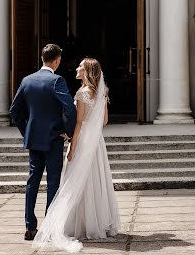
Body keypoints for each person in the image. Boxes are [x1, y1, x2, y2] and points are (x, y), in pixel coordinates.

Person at [33, 58, 120, 253]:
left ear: (87, 71)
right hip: (96, 141)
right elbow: (104, 121)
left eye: (80, 66)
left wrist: (72, 147)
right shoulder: (101, 93)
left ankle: (77, 224)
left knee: (74, 180)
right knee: (94, 179)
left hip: (83, 140)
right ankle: (95, 223)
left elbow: (79, 123)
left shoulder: (82, 93)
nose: (77, 68)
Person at [9, 43, 77, 241]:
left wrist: (27, 130)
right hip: (53, 139)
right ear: (57, 61)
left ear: (42, 59)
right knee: (53, 181)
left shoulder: (27, 81)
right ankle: (49, 227)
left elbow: (14, 111)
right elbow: (70, 109)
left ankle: (30, 227)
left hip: (34, 139)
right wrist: (68, 132)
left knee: (33, 181)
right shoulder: (57, 80)